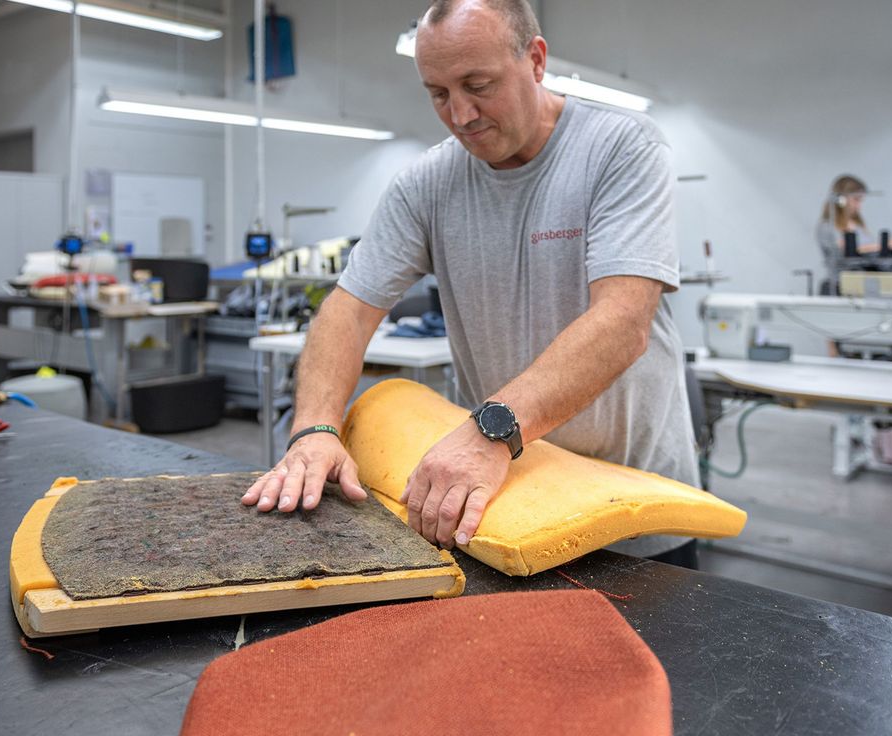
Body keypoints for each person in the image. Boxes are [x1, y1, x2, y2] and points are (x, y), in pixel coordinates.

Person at [241, 0, 699, 567]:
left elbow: (622, 322)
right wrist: (314, 428)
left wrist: (491, 430)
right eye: (438, 93)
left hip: (636, 509)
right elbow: (348, 310)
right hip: (506, 503)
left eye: (478, 85)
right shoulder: (427, 184)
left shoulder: (620, 148)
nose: (460, 114)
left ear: (535, 60)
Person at [815, 174, 892, 293]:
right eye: (856, 200)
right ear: (841, 200)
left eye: (861, 200)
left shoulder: (857, 225)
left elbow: (870, 251)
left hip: (862, 284)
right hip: (840, 287)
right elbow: (853, 250)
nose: (859, 206)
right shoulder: (827, 226)